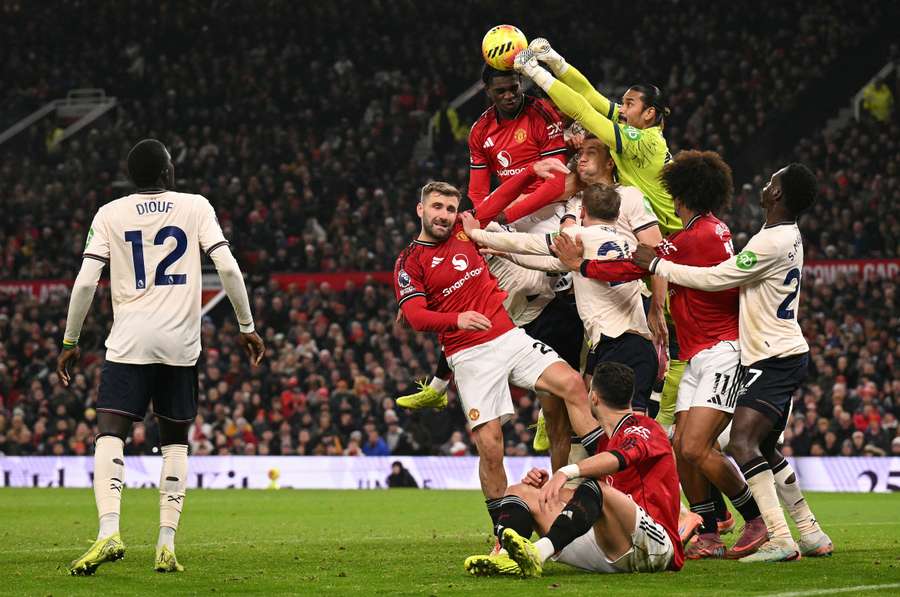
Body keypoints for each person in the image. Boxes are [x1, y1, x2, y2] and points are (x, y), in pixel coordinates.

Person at [58, 139, 264, 575]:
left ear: (132, 177)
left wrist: (70, 341)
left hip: (129, 341)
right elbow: (227, 268)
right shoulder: (195, 206)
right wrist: (246, 326)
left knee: (110, 432)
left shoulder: (109, 213)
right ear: (168, 172)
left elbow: (83, 283)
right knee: (174, 442)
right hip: (180, 345)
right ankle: (166, 544)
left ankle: (108, 532)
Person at [553, 151, 768, 559]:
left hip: (721, 350)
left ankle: (756, 520)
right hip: (698, 352)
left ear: (681, 192)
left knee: (695, 447)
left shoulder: (694, 237)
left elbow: (632, 268)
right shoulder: (709, 229)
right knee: (680, 445)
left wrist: (581, 266)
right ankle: (708, 529)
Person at [634, 162, 831, 562]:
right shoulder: (783, 234)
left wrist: (657, 265)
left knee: (739, 442)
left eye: (771, 180)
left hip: (771, 354)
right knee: (762, 447)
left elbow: (717, 278)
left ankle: (775, 534)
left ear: (777, 195)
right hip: (772, 350)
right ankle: (810, 533)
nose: (764, 183)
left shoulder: (770, 241)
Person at [392, 175, 598, 542]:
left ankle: (598, 474)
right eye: (437, 207)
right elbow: (414, 315)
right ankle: (506, 533)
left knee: (570, 384)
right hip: (469, 354)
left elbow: (501, 195)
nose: (444, 215)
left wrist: (533, 172)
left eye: (450, 208)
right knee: (490, 446)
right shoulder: (409, 263)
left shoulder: (463, 229)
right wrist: (457, 319)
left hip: (508, 336)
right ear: (420, 210)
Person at [513, 38, 685, 440]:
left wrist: (533, 72)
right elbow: (588, 93)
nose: (621, 109)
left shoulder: (646, 143)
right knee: (598, 316)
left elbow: (583, 111)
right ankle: (561, 409)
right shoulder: (632, 130)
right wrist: (554, 60)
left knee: (667, 337)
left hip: (670, 250)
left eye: (628, 105)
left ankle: (661, 418)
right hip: (641, 246)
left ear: (650, 115)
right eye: (622, 104)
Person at [396, 64, 579, 423]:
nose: (510, 95)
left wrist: (500, 223)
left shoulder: (543, 111)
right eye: (501, 91)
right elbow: (478, 193)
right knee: (471, 284)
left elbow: (558, 181)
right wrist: (478, 226)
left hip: (551, 208)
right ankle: (438, 387)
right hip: (509, 210)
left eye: (514, 87)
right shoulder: (481, 130)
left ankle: (547, 408)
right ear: (487, 90)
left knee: (553, 285)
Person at [464, 363, 682, 577]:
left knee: (596, 488)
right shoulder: (607, 441)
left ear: (593, 397)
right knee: (520, 492)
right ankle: (506, 557)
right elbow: (591, 501)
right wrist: (549, 491)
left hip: (654, 547)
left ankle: (538, 553)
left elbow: (618, 460)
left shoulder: (644, 427)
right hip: (612, 545)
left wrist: (565, 472)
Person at [460, 184, 658, 413]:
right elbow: (553, 263)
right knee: (622, 422)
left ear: (582, 212)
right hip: (636, 342)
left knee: (624, 426)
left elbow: (528, 243)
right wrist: (505, 254)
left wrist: (477, 234)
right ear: (616, 213)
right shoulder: (626, 243)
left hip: (618, 344)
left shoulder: (579, 236)